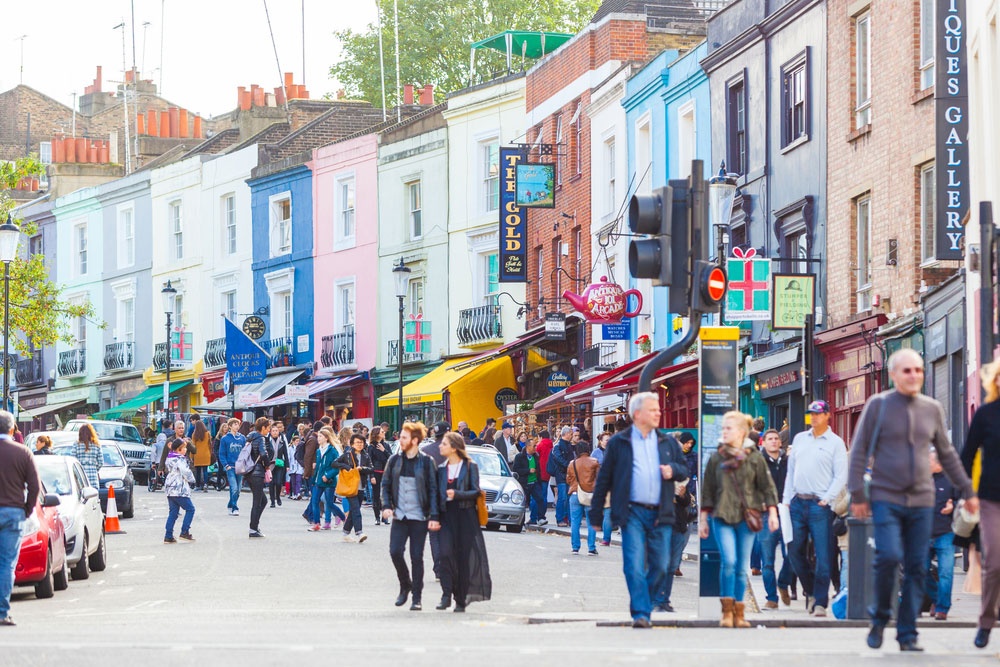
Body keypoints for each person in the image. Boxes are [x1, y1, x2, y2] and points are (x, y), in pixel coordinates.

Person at [849, 348, 976, 652]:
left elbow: (947, 454)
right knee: (890, 556)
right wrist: (857, 493)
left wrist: (968, 491)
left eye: (918, 370)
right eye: (907, 370)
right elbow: (859, 451)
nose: (914, 375)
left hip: (922, 501)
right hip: (886, 497)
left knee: (918, 566)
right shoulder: (877, 406)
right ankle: (879, 618)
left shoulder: (931, 408)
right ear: (894, 375)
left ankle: (907, 633)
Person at [589, 392, 688, 629]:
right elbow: (604, 479)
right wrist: (596, 512)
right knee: (633, 564)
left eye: (658, 410)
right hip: (632, 512)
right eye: (653, 410)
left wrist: (672, 470)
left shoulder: (667, 442)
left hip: (661, 511)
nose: (658, 413)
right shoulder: (619, 443)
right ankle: (641, 612)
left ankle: (646, 600)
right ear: (637, 414)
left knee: (663, 565)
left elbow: (683, 470)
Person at [700, 411, 779, 629]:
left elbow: (767, 486)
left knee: (742, 566)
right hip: (722, 516)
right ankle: (726, 611)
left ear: (741, 431)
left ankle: (739, 612)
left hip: (747, 517)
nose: (724, 431)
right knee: (729, 561)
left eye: (729, 428)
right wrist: (703, 519)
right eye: (723, 428)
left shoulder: (754, 457)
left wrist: (772, 513)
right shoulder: (717, 457)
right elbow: (707, 490)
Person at [782, 399, 848, 617]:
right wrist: (787, 498)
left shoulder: (836, 443)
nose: (814, 417)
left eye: (818, 413)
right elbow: (791, 471)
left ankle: (820, 601)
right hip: (798, 502)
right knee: (794, 551)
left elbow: (841, 475)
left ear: (828, 415)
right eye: (812, 414)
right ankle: (810, 590)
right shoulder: (800, 439)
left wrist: (827, 498)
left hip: (820, 505)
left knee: (823, 555)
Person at [381, 422, 440, 611]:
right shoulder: (394, 460)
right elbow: (386, 484)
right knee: (395, 551)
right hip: (400, 515)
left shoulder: (426, 462)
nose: (400, 440)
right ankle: (405, 584)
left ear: (415, 440)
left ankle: (417, 597)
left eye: (404, 437)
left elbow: (433, 489)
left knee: (417, 556)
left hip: (419, 517)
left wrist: (434, 515)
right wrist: (386, 506)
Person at [962, 357, 1000, 648]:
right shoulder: (986, 414)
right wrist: (968, 494)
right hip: (991, 499)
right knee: (995, 561)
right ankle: (986, 621)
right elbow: (967, 455)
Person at [437, 432, 492, 612]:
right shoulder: (441, 469)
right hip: (446, 516)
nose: (440, 446)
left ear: (454, 447)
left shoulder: (470, 467)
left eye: (444, 444)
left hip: (466, 516)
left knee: (462, 559)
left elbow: (476, 491)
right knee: (444, 555)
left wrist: (457, 494)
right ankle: (446, 594)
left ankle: (460, 599)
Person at [0, 410, 39, 626]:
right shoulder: (23, 452)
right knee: (6, 563)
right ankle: (2, 611)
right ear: (12, 429)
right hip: (13, 511)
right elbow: (34, 486)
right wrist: (26, 509)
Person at [756, 429, 794, 608]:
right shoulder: (757, 462)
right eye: (769, 439)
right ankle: (772, 598)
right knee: (767, 560)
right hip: (765, 515)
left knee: (793, 555)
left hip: (787, 513)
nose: (773, 441)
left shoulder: (789, 462)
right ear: (763, 442)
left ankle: (783, 583)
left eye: (776, 438)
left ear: (780, 442)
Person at [925, 448, 959, 620]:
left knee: (946, 572)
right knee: (920, 570)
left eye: (929, 461)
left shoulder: (951, 480)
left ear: (938, 464)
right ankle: (938, 599)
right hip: (922, 534)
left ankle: (942, 608)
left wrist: (953, 508)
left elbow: (962, 503)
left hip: (945, 533)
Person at [654, 480, 696, 612]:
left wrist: (683, 496)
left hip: (679, 525)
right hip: (661, 524)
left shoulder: (680, 478)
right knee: (661, 564)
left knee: (672, 565)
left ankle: (665, 600)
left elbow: (686, 501)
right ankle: (657, 599)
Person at [333, 433, 372, 543]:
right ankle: (359, 532)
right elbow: (335, 463)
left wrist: (362, 469)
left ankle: (345, 533)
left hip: (361, 486)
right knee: (356, 509)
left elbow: (371, 468)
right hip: (350, 487)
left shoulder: (366, 455)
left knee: (353, 510)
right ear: (352, 444)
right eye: (357, 442)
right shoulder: (347, 455)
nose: (360, 445)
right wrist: (347, 467)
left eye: (362, 442)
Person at [307, 427, 346, 531]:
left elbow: (337, 467)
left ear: (326, 438)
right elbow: (318, 467)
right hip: (318, 481)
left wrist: (328, 475)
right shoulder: (318, 451)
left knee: (329, 503)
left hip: (329, 481)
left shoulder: (332, 451)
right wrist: (314, 479)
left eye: (320, 436)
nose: (318, 438)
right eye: (318, 436)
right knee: (315, 501)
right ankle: (316, 524)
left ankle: (343, 517)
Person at [566, 442, 599, 555]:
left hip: (575, 493)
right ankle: (591, 548)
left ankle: (575, 547)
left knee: (575, 522)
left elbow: (568, 479)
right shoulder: (594, 462)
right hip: (590, 494)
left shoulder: (572, 463)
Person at [163, 438, 196, 543]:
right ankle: (184, 532)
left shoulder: (169, 458)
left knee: (173, 512)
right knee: (190, 509)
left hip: (170, 488)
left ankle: (168, 535)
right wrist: (192, 479)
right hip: (179, 488)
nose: (186, 449)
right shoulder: (180, 459)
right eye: (184, 448)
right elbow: (185, 471)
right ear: (178, 449)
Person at [246, 417, 274, 538]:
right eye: (268, 428)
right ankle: (253, 528)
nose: (268, 431)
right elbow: (263, 453)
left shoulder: (250, 438)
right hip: (257, 472)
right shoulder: (260, 438)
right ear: (263, 428)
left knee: (263, 500)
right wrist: (267, 466)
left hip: (249, 472)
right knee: (258, 501)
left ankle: (255, 526)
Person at [513, 438, 546, 525]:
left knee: (540, 499)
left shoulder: (536, 456)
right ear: (528, 446)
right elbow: (516, 469)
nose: (536, 447)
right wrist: (528, 471)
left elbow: (538, 469)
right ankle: (521, 521)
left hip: (534, 482)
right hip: (524, 483)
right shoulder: (519, 457)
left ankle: (541, 518)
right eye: (534, 446)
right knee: (522, 502)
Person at [218, 418, 247, 516]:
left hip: (240, 466)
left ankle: (230, 504)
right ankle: (235, 507)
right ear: (230, 426)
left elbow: (245, 452)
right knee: (233, 487)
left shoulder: (242, 438)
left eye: (238, 424)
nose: (237, 426)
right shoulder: (225, 439)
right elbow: (221, 453)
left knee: (238, 489)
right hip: (230, 466)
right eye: (235, 424)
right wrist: (226, 465)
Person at [548, 426, 575, 527]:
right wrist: (569, 466)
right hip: (562, 475)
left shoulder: (566, 445)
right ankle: (560, 518)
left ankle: (566, 518)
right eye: (571, 434)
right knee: (563, 498)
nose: (572, 436)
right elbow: (559, 459)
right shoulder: (558, 446)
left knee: (567, 498)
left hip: (567, 475)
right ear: (567, 434)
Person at [368, 426, 391, 525]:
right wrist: (371, 476)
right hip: (376, 472)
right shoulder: (371, 447)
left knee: (385, 495)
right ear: (376, 433)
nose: (384, 433)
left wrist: (384, 450)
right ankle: (377, 517)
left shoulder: (386, 445)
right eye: (382, 432)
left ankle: (384, 517)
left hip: (386, 472)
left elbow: (391, 458)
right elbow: (369, 462)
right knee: (376, 495)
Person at [70, 422, 103, 489]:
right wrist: (94, 469)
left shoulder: (76, 444)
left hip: (80, 477)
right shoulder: (97, 445)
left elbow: (72, 460)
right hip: (93, 477)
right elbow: (101, 462)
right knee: (94, 497)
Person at [535, 430, 553, 526]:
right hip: (547, 473)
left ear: (540, 437)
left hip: (539, 472)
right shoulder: (551, 445)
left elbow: (536, 456)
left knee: (538, 496)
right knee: (544, 495)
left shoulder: (540, 445)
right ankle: (543, 516)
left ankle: (537, 516)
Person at [268, 422, 287, 509]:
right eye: (273, 431)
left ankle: (278, 496)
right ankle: (272, 501)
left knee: (278, 482)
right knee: (271, 483)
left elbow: (285, 454)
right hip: (270, 464)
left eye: (276, 431)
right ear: (270, 432)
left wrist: (287, 465)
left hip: (279, 463)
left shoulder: (282, 441)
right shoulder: (267, 441)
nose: (275, 432)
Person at [190, 418, 212, 492]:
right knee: (205, 470)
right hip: (206, 454)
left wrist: (191, 456)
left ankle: (198, 485)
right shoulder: (207, 434)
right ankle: (205, 484)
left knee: (198, 471)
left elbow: (193, 446)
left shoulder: (194, 434)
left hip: (197, 454)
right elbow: (210, 444)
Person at [287, 434, 304, 500]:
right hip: (292, 466)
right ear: (293, 441)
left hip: (299, 466)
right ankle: (294, 493)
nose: (298, 442)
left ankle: (298, 493)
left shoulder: (301, 449)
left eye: (298, 441)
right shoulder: (290, 448)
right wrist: (288, 465)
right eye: (296, 441)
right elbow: (288, 457)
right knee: (293, 481)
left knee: (298, 480)